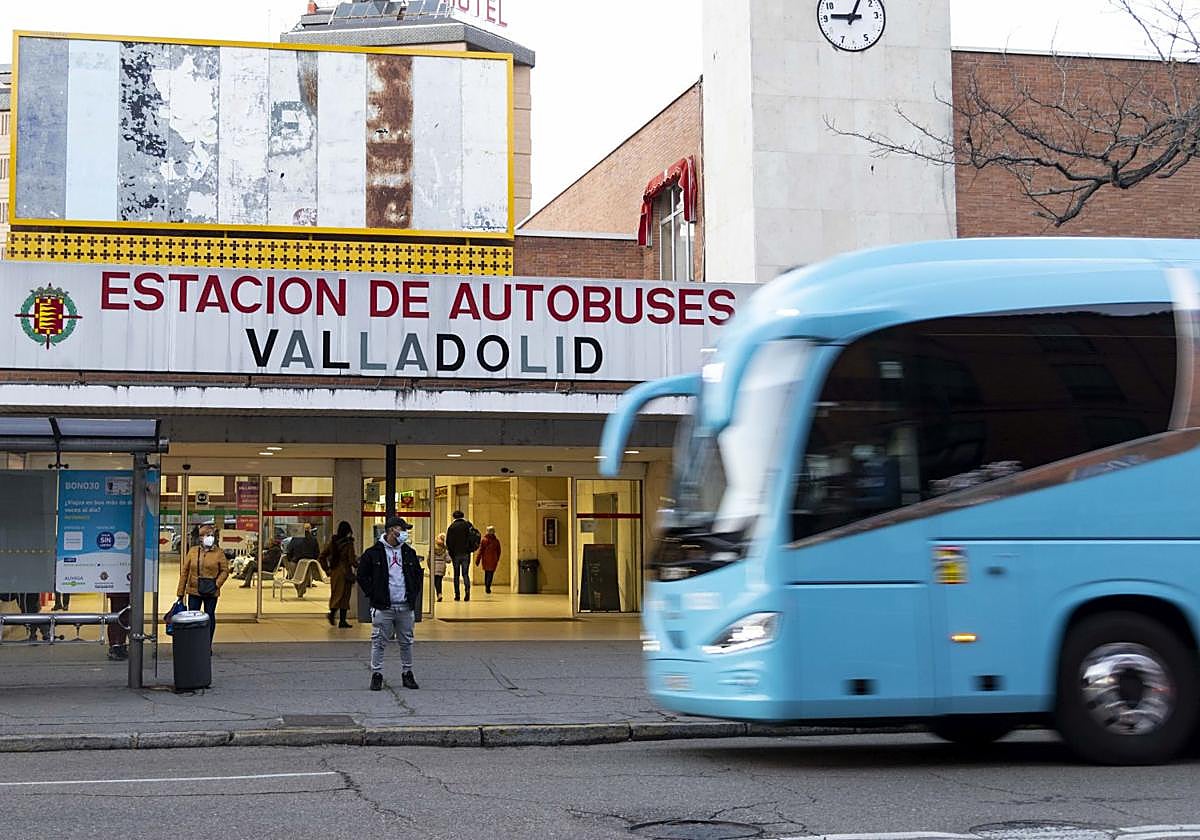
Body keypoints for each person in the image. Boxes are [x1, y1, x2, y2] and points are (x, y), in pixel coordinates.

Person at [357, 515, 422, 691]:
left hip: (404, 606)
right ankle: (376, 674)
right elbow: (362, 576)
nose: (405, 534)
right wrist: (374, 594)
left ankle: (407, 673)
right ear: (391, 531)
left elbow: (417, 575)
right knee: (378, 641)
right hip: (383, 606)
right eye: (402, 530)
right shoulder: (373, 553)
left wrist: (413, 595)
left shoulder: (409, 552)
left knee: (406, 641)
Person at [176, 523, 230, 644]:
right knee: (193, 618)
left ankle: (207, 644)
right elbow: (185, 571)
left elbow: (225, 571)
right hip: (194, 590)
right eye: (207, 535)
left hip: (211, 590)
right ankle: (193, 643)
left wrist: (217, 584)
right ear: (200, 537)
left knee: (209, 616)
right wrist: (180, 591)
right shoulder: (193, 551)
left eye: (212, 535)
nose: (210, 537)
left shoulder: (219, 553)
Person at [319, 520, 357, 628]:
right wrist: (358, 565)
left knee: (336, 594)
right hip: (345, 572)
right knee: (345, 596)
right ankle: (340, 619)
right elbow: (351, 560)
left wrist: (327, 569)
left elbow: (322, 556)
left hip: (335, 572)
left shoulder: (333, 542)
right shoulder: (348, 543)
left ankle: (334, 614)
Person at [445, 510, 480, 602]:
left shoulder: (452, 527)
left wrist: (451, 553)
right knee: (465, 574)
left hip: (456, 554)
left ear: (454, 517)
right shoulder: (468, 525)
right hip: (466, 553)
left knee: (456, 575)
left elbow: (448, 542)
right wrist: (470, 549)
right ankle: (467, 592)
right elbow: (474, 536)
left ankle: (457, 595)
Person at [475, 525, 502, 594]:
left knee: (487, 573)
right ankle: (488, 586)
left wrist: (477, 560)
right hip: (493, 560)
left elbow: (480, 551)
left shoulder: (484, 540)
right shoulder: (496, 541)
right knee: (491, 574)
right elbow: (499, 551)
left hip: (485, 560)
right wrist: (497, 559)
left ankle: (487, 586)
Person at [106, 592, 130, 660]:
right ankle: (116, 645)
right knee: (119, 617)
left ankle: (119, 644)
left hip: (122, 590)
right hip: (119, 590)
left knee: (123, 618)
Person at [431, 533, 448, 602]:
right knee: (439, 581)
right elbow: (448, 560)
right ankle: (439, 594)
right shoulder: (445, 549)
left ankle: (438, 594)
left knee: (435, 581)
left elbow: (429, 558)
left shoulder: (433, 548)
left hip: (434, 566)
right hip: (442, 566)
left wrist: (430, 566)